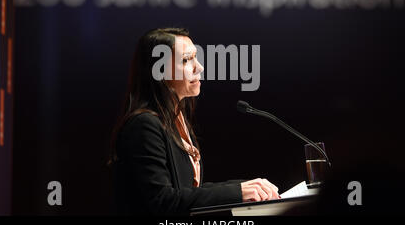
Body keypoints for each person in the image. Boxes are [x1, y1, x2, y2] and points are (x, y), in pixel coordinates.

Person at [108, 27, 280, 215]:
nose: (199, 67)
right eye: (186, 60)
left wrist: (246, 187)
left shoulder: (175, 119)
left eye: (195, 57)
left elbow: (188, 192)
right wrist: (237, 192)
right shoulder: (144, 125)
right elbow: (162, 201)